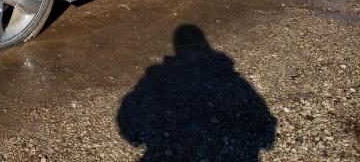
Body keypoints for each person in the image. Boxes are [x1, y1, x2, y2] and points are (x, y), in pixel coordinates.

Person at [117, 25, 276, 161]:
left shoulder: (156, 78)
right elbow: (263, 121)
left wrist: (135, 137)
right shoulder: (231, 78)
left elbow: (127, 115)